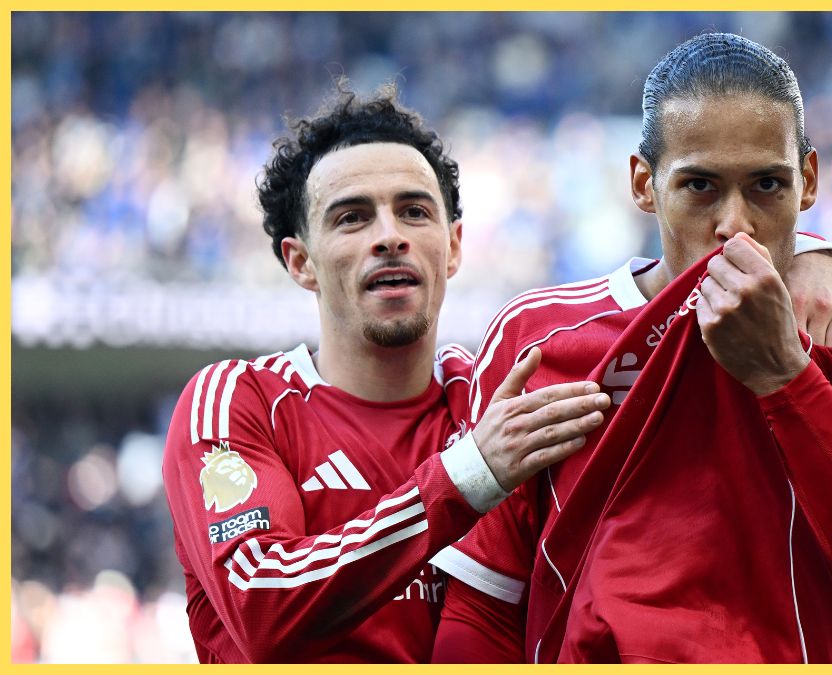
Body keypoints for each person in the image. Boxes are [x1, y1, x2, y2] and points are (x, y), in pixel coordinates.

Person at [431, 33, 832, 663]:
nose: (735, 225)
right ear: (644, 184)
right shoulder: (537, 337)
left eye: (767, 185)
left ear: (807, 181)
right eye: (700, 186)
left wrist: (787, 378)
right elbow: (483, 606)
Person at [160, 86, 616, 663]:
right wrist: (469, 475)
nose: (389, 236)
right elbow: (263, 605)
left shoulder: (493, 403)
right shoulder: (238, 401)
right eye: (352, 218)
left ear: (453, 247)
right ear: (301, 262)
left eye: (414, 212)